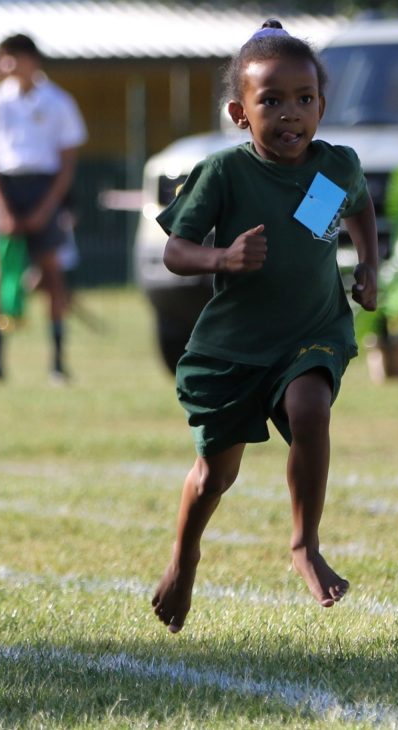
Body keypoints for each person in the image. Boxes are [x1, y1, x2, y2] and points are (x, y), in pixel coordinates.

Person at [150, 19, 379, 633]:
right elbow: (176, 250)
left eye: (304, 100)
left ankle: (305, 543)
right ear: (239, 112)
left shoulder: (334, 168)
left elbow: (359, 208)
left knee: (311, 409)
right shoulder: (225, 173)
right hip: (236, 347)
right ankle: (184, 555)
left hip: (312, 330)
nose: (290, 114)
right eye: (270, 101)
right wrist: (221, 259)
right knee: (215, 475)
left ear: (322, 107)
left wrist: (370, 271)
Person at [0, 34, 87, 383]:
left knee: (52, 275)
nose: (5, 66)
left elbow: (67, 162)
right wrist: (0, 208)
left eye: (12, 58)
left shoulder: (58, 102)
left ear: (31, 60)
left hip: (43, 187)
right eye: (1, 59)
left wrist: (47, 206)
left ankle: (57, 362)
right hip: (4, 188)